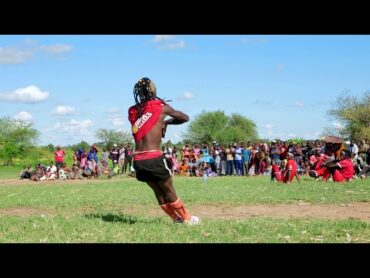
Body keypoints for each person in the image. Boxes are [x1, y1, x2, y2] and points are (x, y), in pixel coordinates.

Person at [128, 77, 200, 225]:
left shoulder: (133, 111)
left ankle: (176, 219)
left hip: (138, 160)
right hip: (153, 157)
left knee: (157, 191)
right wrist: (166, 121)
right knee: (169, 190)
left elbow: (144, 124)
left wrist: (161, 121)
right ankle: (187, 219)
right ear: (152, 90)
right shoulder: (160, 107)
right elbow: (185, 117)